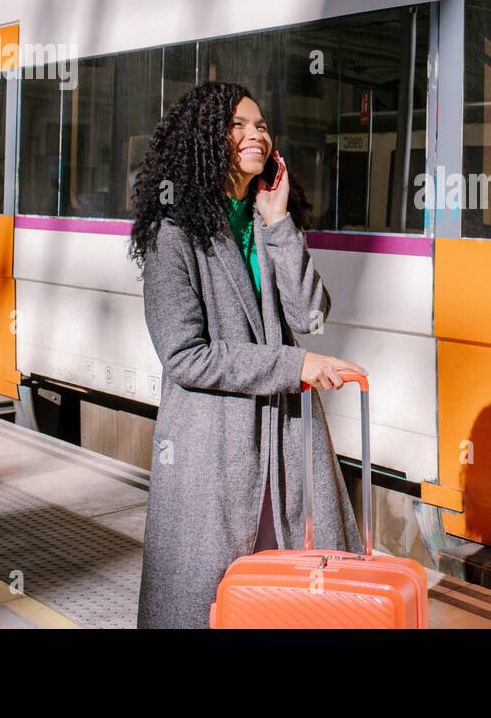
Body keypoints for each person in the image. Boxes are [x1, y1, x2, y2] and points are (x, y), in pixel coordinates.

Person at [128, 82, 368, 629]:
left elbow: (310, 316)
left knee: (294, 603)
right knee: (211, 606)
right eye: (237, 125)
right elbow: (185, 355)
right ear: (206, 140)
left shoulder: (267, 222)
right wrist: (294, 366)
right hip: (215, 455)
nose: (254, 133)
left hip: (286, 448)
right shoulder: (173, 234)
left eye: (260, 125)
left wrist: (281, 222)